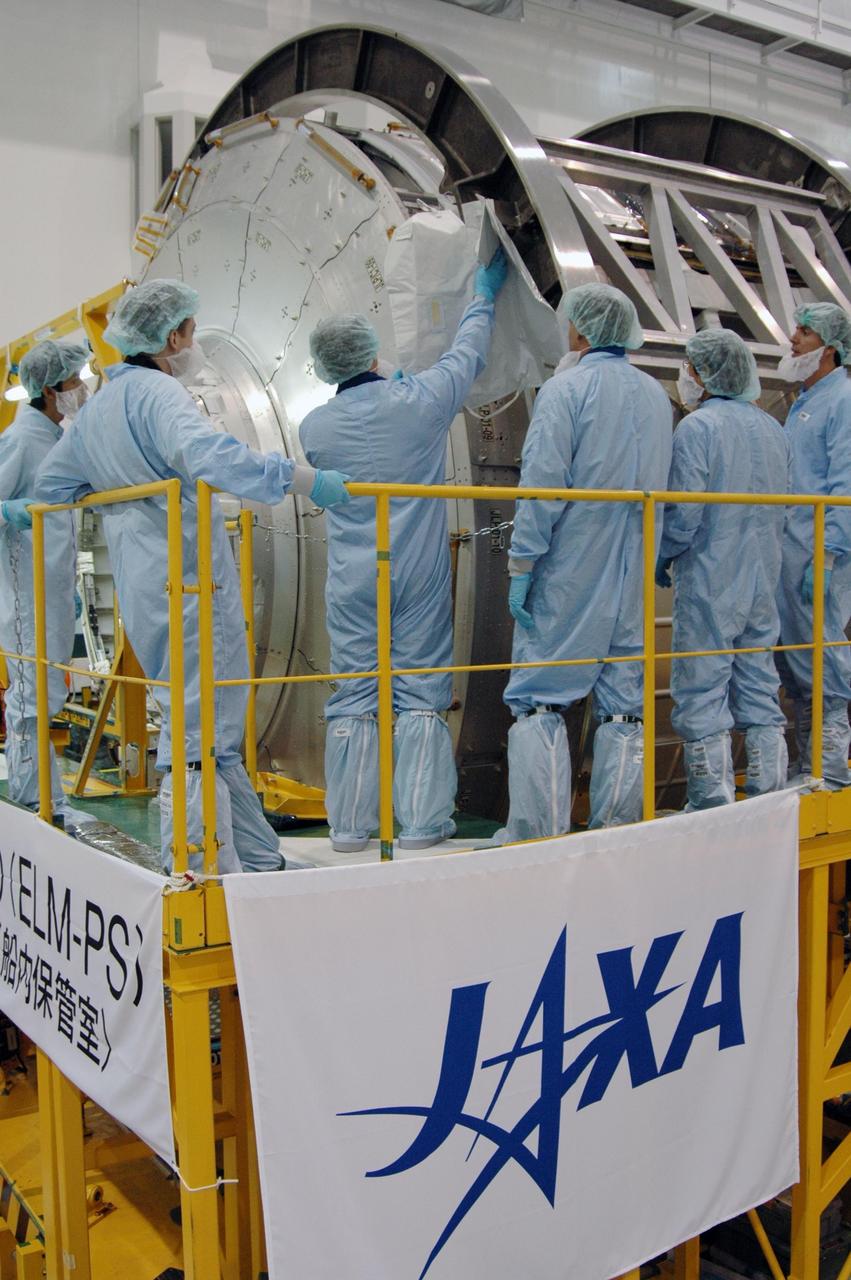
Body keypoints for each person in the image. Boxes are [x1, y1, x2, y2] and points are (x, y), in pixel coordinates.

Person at [35, 279, 351, 874]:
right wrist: (304, 480)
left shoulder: (97, 408)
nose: (195, 340)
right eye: (190, 328)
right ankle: (200, 865)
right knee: (203, 725)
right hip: (190, 580)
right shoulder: (159, 394)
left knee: (200, 720)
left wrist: (116, 497)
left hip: (142, 584)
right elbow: (212, 456)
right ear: (170, 335)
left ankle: (252, 856)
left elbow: (54, 487)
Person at [300, 249, 508, 852]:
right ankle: (420, 825)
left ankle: (348, 829)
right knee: (420, 691)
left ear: (323, 366)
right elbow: (466, 356)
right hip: (416, 571)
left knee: (356, 694)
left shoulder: (316, 428)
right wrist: (483, 295)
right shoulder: (421, 401)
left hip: (352, 580)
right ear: (371, 354)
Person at [494, 282, 672, 842]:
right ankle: (618, 831)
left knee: (539, 699)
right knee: (623, 705)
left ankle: (538, 833)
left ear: (583, 330)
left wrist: (522, 565)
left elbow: (543, 484)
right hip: (632, 569)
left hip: (572, 567)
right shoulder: (654, 395)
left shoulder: (567, 391)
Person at [656, 329, 790, 809]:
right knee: (758, 681)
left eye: (690, 367)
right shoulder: (773, 429)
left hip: (713, 577)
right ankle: (768, 798)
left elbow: (686, 512)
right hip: (762, 578)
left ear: (704, 374)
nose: (685, 377)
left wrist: (663, 554)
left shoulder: (697, 429)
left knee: (702, 686)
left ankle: (712, 803)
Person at [0, 339, 91, 825]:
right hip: (23, 593)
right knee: (31, 700)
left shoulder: (53, 438)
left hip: (49, 590)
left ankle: (42, 797)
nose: (82, 387)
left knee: (46, 694)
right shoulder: (19, 441)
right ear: (52, 390)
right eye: (75, 380)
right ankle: (34, 800)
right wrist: (7, 510)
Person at [775, 302, 851, 788]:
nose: (793, 339)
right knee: (800, 666)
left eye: (804, 331)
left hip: (818, 554)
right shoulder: (805, 402)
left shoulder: (842, 399)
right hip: (793, 550)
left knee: (824, 660)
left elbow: (844, 483)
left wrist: (827, 554)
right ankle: (809, 768)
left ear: (829, 346)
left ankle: (830, 769)